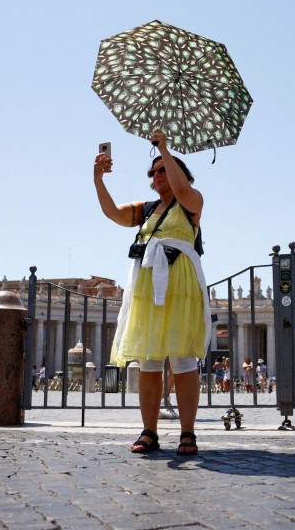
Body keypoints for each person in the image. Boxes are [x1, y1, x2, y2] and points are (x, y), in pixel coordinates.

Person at [95, 129, 209, 456]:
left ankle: (188, 432)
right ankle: (149, 431)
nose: (157, 175)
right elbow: (114, 214)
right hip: (148, 285)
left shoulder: (191, 202)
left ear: (177, 172)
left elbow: (182, 188)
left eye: (164, 169)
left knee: (184, 359)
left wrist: (164, 148)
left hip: (181, 285)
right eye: (153, 171)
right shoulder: (146, 210)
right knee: (149, 361)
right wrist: (98, 179)